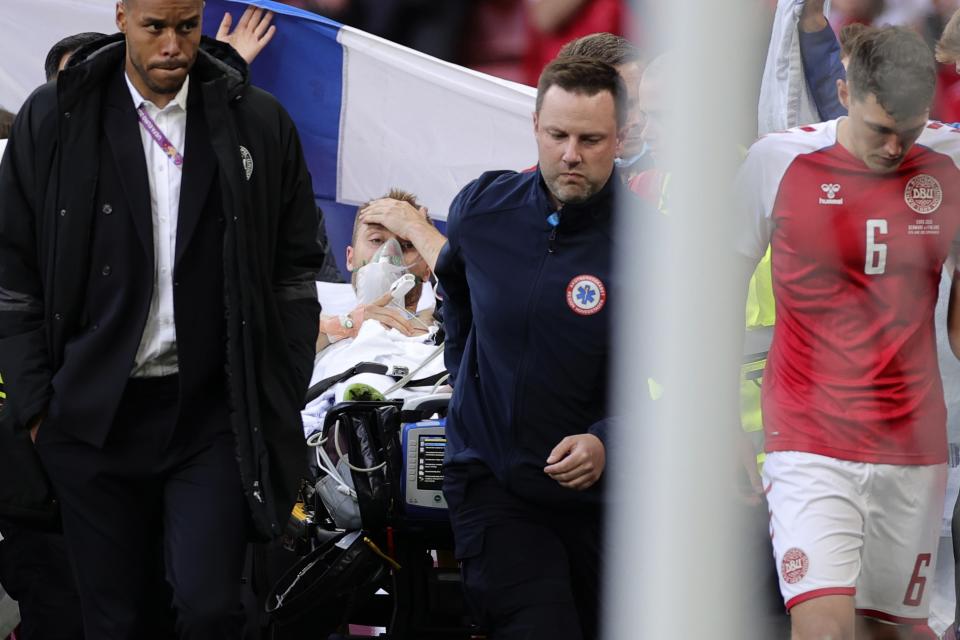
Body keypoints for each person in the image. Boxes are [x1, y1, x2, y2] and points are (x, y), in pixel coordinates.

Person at [0, 0, 322, 637]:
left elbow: (294, 272)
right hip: (90, 414)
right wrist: (39, 406)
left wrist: (277, 389)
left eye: (187, 26)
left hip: (211, 412)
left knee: (209, 608)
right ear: (121, 16)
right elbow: (13, 269)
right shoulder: (55, 115)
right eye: (155, 28)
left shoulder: (255, 119)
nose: (173, 45)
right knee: (114, 621)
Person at [735, 26, 956, 639]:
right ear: (841, 93)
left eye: (907, 132)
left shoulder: (952, 167)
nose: (892, 148)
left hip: (913, 445)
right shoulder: (776, 160)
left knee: (889, 632)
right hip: (807, 438)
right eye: (878, 129)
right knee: (826, 630)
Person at [435, 57, 628, 640]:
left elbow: (681, 384)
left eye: (590, 139)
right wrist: (470, 390)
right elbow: (456, 298)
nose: (571, 154)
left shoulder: (654, 246)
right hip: (492, 483)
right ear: (536, 127)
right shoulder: (483, 208)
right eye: (557, 135)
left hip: (604, 502)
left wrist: (607, 440)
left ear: (621, 137)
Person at [316, 189, 438, 351]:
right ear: (350, 258)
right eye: (376, 240)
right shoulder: (320, 332)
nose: (389, 254)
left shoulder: (448, 335)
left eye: (408, 245)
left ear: (427, 269)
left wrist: (423, 233)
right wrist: (348, 324)